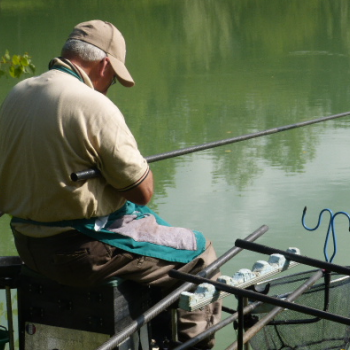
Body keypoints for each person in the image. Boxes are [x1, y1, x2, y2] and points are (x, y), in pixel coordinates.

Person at [0, 20, 221, 349]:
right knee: (199, 253)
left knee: (152, 231)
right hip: (84, 251)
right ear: (104, 63)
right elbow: (142, 191)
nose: (110, 85)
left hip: (29, 245)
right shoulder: (93, 105)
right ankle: (192, 346)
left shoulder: (18, 94)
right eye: (114, 77)